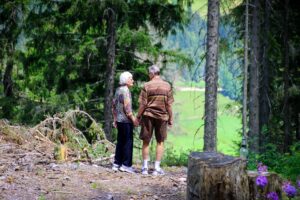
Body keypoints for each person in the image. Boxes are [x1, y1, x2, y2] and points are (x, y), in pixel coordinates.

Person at [137, 65, 174, 175]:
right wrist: (171, 118)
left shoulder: (147, 86)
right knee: (160, 142)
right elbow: (168, 105)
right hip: (162, 117)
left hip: (148, 116)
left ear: (152, 74)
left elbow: (143, 104)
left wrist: (138, 116)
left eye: (149, 74)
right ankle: (157, 168)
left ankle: (145, 168)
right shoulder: (167, 86)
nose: (149, 76)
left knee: (146, 141)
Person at [112, 71, 139, 173]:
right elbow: (127, 109)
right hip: (126, 121)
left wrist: (115, 119)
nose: (132, 80)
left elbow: (113, 105)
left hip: (119, 120)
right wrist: (134, 120)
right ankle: (126, 165)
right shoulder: (126, 91)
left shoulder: (118, 90)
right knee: (128, 142)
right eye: (130, 78)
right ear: (125, 80)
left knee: (120, 142)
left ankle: (116, 163)